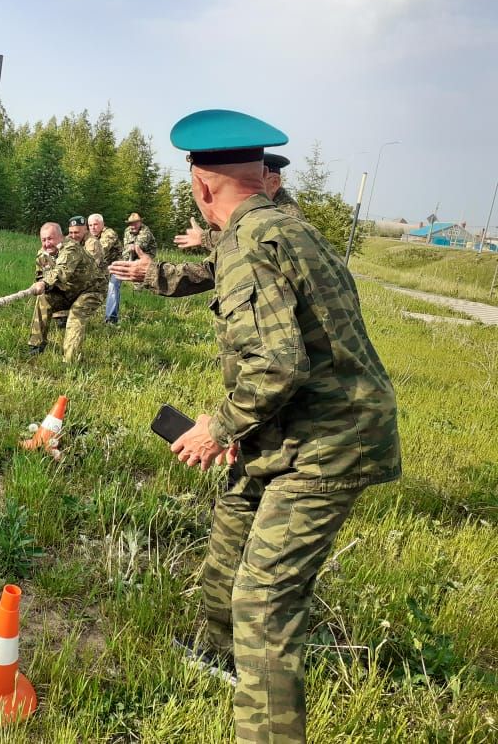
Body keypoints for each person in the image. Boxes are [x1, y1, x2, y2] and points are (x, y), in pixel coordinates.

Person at [113, 109, 401, 744]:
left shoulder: (253, 243)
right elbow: (217, 274)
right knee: (232, 528)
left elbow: (277, 363)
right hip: (286, 431)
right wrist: (157, 276)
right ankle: (215, 656)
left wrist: (217, 426)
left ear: (202, 185)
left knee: (265, 604)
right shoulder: (276, 227)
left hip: (329, 442)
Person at [175, 152, 304, 251]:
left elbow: (252, 239)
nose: (244, 187)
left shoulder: (288, 216)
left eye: (254, 179)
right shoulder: (257, 211)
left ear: (274, 183)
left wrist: (205, 238)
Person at [27, 221, 105, 363]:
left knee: (76, 315)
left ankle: (70, 361)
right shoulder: (42, 254)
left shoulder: (71, 248)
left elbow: (61, 271)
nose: (46, 243)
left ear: (61, 237)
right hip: (67, 291)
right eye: (43, 240)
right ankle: (36, 346)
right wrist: (41, 284)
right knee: (43, 298)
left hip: (91, 290)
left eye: (50, 239)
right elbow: (41, 275)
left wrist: (44, 283)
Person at [88, 213, 123, 323]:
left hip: (117, 266)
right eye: (90, 225)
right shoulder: (90, 236)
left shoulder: (109, 233)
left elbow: (99, 251)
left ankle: (111, 320)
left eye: (95, 224)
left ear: (102, 224)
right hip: (102, 267)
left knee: (112, 286)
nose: (93, 227)